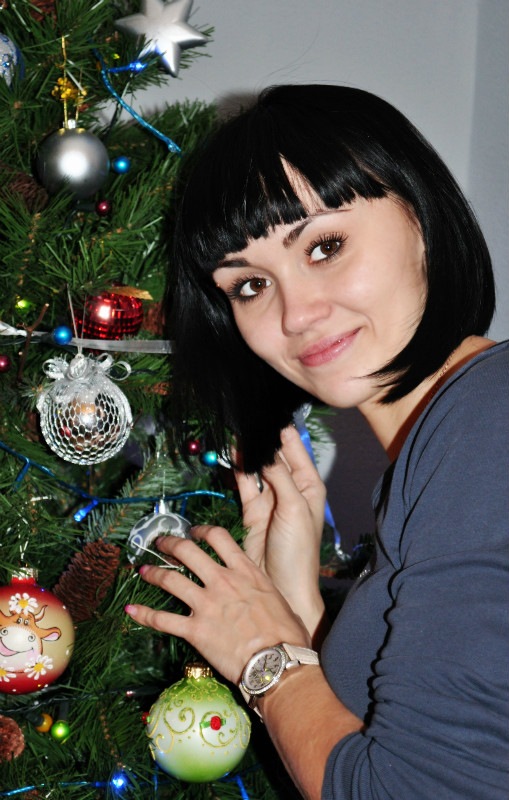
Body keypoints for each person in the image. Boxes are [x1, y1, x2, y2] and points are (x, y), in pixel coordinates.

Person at [124, 85, 508, 799]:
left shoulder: (488, 422)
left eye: (324, 247)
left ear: (422, 218)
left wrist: (263, 656)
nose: (296, 313)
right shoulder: (441, 446)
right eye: (248, 286)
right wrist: (297, 607)